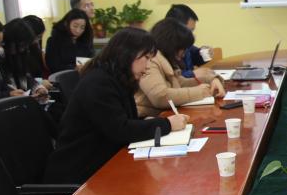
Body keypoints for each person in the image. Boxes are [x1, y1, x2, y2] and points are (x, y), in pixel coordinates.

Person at [43, 28, 188, 186]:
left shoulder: (116, 78)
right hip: (81, 174)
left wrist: (146, 121)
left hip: (102, 163)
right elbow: (121, 130)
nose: (147, 67)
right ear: (127, 54)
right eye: (146, 58)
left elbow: (120, 121)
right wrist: (167, 124)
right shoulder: (98, 83)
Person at [135, 19, 224, 117]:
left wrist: (211, 80)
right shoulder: (150, 61)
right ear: (173, 45)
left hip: (165, 116)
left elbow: (180, 83)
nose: (184, 54)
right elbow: (160, 97)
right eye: (183, 48)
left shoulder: (165, 58)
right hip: (148, 119)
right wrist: (200, 92)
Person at [1, 19, 52, 101]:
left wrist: (38, 88)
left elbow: (24, 75)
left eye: (25, 46)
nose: (22, 49)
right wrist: (10, 94)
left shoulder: (20, 54)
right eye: (21, 45)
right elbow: (4, 85)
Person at [165, 4, 214, 81]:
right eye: (190, 31)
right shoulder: (161, 49)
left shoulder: (185, 44)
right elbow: (171, 78)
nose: (191, 35)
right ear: (176, 27)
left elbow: (195, 56)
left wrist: (205, 53)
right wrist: (193, 74)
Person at [45, 8, 95, 74]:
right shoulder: (54, 41)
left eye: (82, 27)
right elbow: (53, 66)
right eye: (75, 26)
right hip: (62, 76)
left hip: (84, 75)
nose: (78, 31)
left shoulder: (86, 39)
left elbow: (91, 58)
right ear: (66, 23)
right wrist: (74, 68)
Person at [22, 14, 49, 79]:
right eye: (38, 37)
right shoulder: (21, 50)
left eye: (40, 37)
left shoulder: (35, 47)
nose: (37, 41)